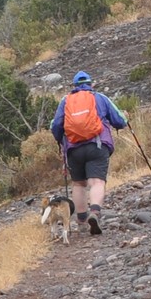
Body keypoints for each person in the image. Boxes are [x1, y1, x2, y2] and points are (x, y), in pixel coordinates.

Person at [51, 71, 127, 236]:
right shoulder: (100, 98)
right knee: (97, 182)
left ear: (74, 86)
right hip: (97, 146)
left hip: (74, 149)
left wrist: (61, 140)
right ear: (91, 84)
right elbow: (119, 120)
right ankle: (95, 212)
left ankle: (82, 221)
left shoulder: (66, 101)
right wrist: (124, 121)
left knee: (79, 184)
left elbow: (56, 125)